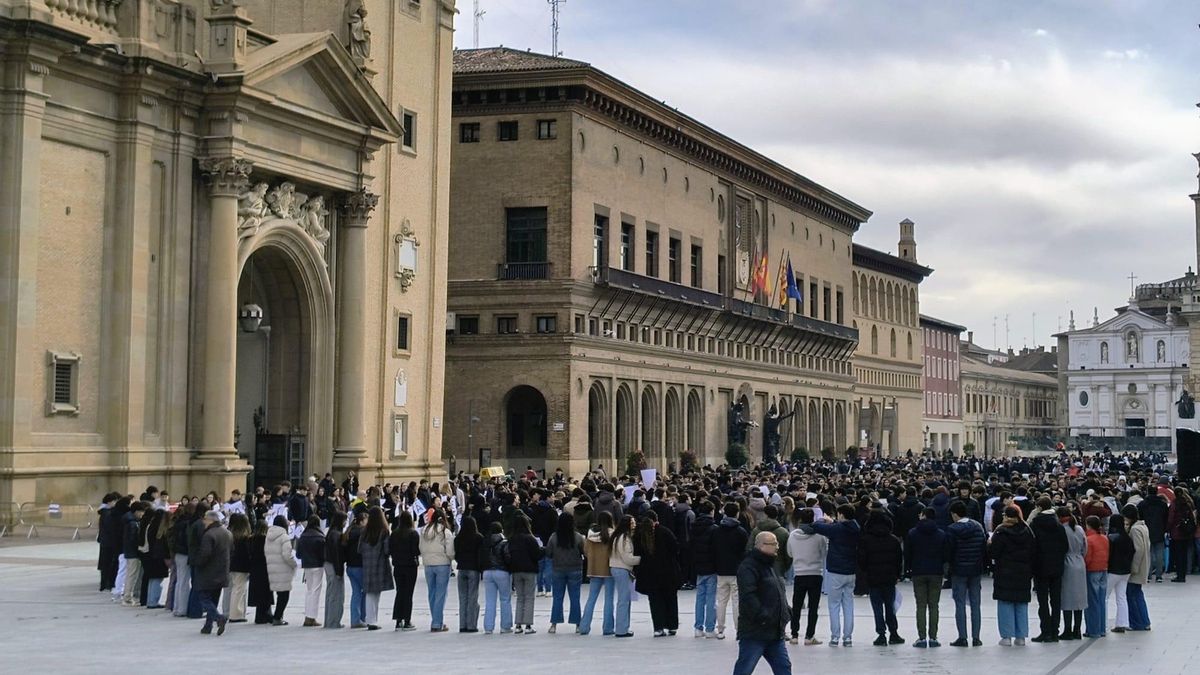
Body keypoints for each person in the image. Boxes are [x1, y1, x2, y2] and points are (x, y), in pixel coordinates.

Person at [732, 531, 792, 675]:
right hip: (755, 632)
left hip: (775, 632)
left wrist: (786, 611)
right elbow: (748, 596)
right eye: (773, 544)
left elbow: (778, 591)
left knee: (784, 667)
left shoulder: (772, 565)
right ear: (761, 546)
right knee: (745, 668)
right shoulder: (748, 567)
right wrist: (762, 615)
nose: (777, 547)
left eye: (777, 543)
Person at [812, 503, 860, 647]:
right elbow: (841, 526)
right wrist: (833, 522)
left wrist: (823, 519)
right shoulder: (856, 527)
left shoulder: (836, 529)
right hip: (851, 570)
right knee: (848, 604)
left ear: (842, 515)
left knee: (834, 605)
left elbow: (816, 526)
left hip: (836, 570)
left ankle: (835, 636)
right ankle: (847, 637)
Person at [989, 505, 1035, 646]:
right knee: (1021, 603)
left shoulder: (1001, 532)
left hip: (1005, 572)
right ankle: (1021, 636)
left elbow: (994, 553)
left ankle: (1006, 636)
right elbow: (1033, 551)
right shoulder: (1027, 531)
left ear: (1006, 517)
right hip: (1023, 572)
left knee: (1005, 603)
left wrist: (989, 545)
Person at [858, 510, 905, 646]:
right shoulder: (893, 540)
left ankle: (881, 634)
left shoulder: (865, 540)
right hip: (889, 577)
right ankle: (894, 633)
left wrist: (866, 571)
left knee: (877, 607)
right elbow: (898, 560)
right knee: (890, 606)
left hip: (873, 577)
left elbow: (861, 560)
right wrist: (897, 575)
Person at [945, 500, 986, 647]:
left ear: (955, 514)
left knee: (960, 603)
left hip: (959, 569)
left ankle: (962, 637)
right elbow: (983, 547)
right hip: (975, 569)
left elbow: (949, 551)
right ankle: (976, 637)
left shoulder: (952, 529)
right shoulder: (977, 526)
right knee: (976, 604)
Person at [635, 511, 681, 637]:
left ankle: (658, 627)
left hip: (649, 573)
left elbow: (637, 552)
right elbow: (676, 548)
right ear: (656, 519)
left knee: (655, 601)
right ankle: (672, 626)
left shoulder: (640, 535)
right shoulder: (665, 532)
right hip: (668, 572)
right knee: (671, 599)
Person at [906, 507, 947, 647]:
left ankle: (922, 637)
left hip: (918, 571)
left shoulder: (912, 533)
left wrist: (908, 570)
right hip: (936, 571)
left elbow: (908, 553)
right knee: (934, 605)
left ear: (923, 516)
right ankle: (934, 637)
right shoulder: (941, 534)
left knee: (921, 605)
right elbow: (945, 554)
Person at [785, 507, 826, 646]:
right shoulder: (819, 535)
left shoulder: (793, 535)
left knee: (796, 605)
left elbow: (790, 553)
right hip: (815, 573)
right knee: (813, 607)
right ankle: (809, 636)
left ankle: (794, 635)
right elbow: (823, 553)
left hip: (799, 573)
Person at [1029, 497, 1067, 643]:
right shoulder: (1059, 525)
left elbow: (1032, 546)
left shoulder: (1035, 524)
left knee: (1043, 601)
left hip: (1040, 567)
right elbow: (1065, 546)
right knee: (1056, 600)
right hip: (1057, 567)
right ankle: (1055, 631)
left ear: (1039, 507)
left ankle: (1045, 631)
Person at [192, 508, 232, 635]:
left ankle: (218, 618)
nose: (203, 522)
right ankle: (208, 626)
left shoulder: (209, 535)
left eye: (205, 519)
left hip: (208, 572)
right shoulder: (227, 533)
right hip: (222, 570)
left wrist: (196, 562)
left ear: (210, 520)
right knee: (213, 599)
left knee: (204, 597)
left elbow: (204, 554)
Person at [713, 502, 749, 640]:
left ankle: (720, 629)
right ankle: (739, 629)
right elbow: (745, 551)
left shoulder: (717, 530)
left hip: (721, 569)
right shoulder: (741, 531)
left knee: (721, 600)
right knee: (737, 601)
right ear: (737, 513)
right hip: (737, 569)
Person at [546, 511, 585, 634]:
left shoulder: (554, 536)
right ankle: (578, 624)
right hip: (575, 569)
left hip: (558, 569)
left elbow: (548, 553)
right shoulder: (578, 537)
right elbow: (584, 552)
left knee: (557, 597)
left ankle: (554, 624)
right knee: (575, 597)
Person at [580, 511, 616, 636]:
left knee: (591, 599)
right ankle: (608, 628)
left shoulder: (591, 534)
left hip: (594, 569)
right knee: (609, 599)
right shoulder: (613, 534)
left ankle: (584, 627)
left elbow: (585, 551)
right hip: (609, 569)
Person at [419, 508, 455, 632]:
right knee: (441, 594)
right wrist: (451, 559)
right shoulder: (445, 532)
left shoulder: (424, 530)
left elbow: (421, 547)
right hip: (442, 563)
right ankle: (437, 622)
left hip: (428, 564)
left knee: (432, 594)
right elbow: (450, 550)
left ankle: (436, 620)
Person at [508, 515, 544, 634]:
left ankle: (518, 625)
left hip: (516, 570)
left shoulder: (512, 539)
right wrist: (543, 549)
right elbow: (537, 555)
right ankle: (528, 625)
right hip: (529, 570)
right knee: (529, 597)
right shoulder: (530, 539)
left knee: (520, 598)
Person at [358, 506, 392, 631]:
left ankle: (370, 619)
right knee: (376, 593)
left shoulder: (364, 531)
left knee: (369, 593)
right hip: (380, 564)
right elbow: (387, 550)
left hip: (367, 564)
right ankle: (373, 620)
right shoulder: (384, 531)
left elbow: (359, 549)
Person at [690, 501, 720, 639]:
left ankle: (698, 627)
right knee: (711, 598)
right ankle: (709, 628)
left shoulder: (694, 527)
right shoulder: (714, 529)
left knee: (700, 597)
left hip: (698, 565)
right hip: (711, 566)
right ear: (712, 511)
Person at [610, 514, 642, 637]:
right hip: (622, 569)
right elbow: (628, 558)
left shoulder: (619, 537)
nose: (634, 525)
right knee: (624, 600)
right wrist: (641, 559)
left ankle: (624, 627)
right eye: (632, 522)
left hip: (620, 568)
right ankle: (621, 629)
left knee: (626, 599)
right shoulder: (623, 539)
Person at [1059, 507, 1088, 641]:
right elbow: (1085, 547)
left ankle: (1067, 629)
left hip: (1067, 563)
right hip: (1079, 562)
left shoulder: (1062, 530)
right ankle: (1077, 629)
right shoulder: (1080, 529)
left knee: (1067, 599)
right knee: (1079, 599)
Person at [1121, 505, 1152, 631]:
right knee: (1138, 594)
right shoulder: (1143, 526)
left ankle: (1137, 622)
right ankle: (1144, 621)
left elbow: (1138, 549)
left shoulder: (1135, 530)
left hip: (1137, 567)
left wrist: (1133, 567)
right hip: (1144, 565)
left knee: (1132, 594)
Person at [482, 521, 514, 634]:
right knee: (505, 599)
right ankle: (505, 626)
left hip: (487, 572)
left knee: (490, 600)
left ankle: (488, 627)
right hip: (502, 571)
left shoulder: (485, 542)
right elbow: (508, 557)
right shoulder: (504, 542)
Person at [454, 515, 484, 633]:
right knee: (472, 597)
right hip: (473, 569)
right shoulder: (478, 537)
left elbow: (456, 554)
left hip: (461, 568)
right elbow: (480, 555)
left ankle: (462, 625)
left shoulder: (458, 538)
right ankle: (471, 625)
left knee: (462, 598)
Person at [264, 515, 296, 626]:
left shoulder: (268, 536)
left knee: (279, 593)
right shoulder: (284, 537)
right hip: (283, 569)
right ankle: (277, 617)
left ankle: (276, 616)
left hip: (272, 568)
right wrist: (294, 563)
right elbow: (287, 555)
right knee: (284, 595)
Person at [295, 515, 325, 626]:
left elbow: (298, 554)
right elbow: (323, 554)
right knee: (315, 591)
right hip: (318, 565)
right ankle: (311, 617)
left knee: (309, 591)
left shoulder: (303, 536)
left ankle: (308, 615)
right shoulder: (320, 536)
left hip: (307, 565)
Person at [1083, 515, 1110, 638]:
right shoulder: (1104, 538)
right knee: (1101, 599)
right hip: (1103, 569)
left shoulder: (1089, 539)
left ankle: (1093, 629)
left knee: (1092, 601)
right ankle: (1101, 628)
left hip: (1092, 570)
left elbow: (1087, 558)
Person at [1106, 512, 1133, 633]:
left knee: (1104, 597)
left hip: (1113, 570)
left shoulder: (1111, 537)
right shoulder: (1127, 537)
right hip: (1126, 570)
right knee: (1121, 597)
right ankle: (1122, 622)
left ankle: (1103, 623)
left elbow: (1108, 554)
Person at [224, 512, 251, 622]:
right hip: (241, 566)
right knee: (239, 590)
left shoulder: (228, 535)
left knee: (229, 589)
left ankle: (227, 611)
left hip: (229, 565)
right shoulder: (245, 538)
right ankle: (236, 614)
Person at [119, 501, 147, 606]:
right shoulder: (132, 523)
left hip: (130, 551)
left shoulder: (130, 521)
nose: (142, 515)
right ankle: (127, 597)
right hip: (133, 553)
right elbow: (132, 539)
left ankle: (128, 595)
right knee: (131, 575)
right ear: (136, 512)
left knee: (131, 574)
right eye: (141, 512)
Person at [323, 511, 346, 629]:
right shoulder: (337, 535)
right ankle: (333, 622)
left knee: (330, 594)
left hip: (328, 564)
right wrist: (339, 571)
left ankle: (328, 621)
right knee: (336, 595)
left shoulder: (331, 533)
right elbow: (337, 554)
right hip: (334, 565)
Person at [344, 509, 366, 628]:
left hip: (350, 566)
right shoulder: (362, 533)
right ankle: (362, 617)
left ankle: (355, 619)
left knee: (356, 593)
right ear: (362, 521)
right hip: (359, 565)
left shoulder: (349, 531)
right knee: (364, 592)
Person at [1167, 490, 1196, 582]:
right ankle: (1183, 573)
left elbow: (1171, 518)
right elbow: (1192, 517)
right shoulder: (1187, 504)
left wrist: (1168, 529)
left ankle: (1179, 575)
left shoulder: (1174, 504)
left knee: (1178, 554)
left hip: (1176, 532)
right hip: (1186, 532)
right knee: (1184, 554)